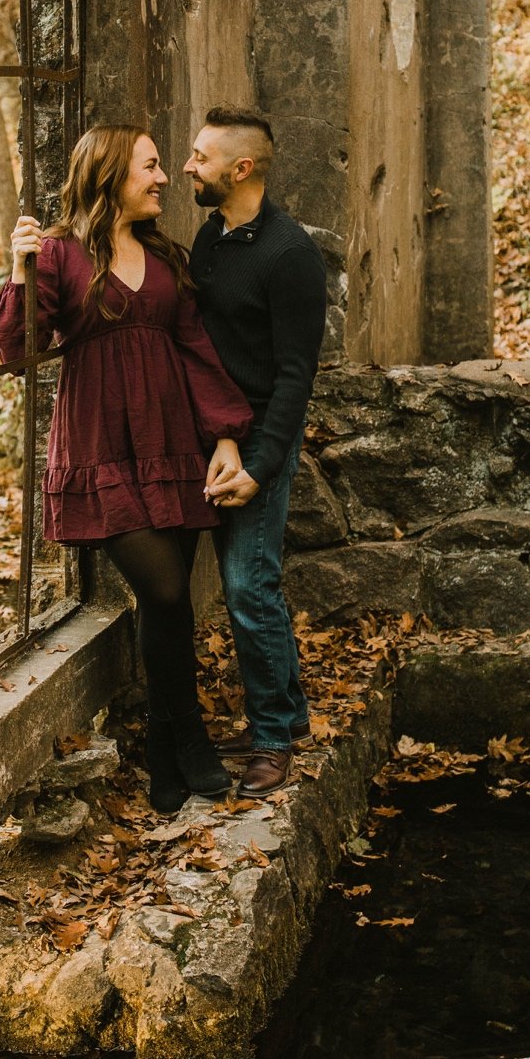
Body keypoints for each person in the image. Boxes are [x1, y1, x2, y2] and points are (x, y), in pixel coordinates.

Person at [0, 124, 254, 813]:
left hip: (173, 447)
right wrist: (20, 271)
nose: (164, 177)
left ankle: (165, 751)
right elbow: (20, 349)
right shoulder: (57, 254)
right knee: (163, 591)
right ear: (109, 174)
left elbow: (196, 349)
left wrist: (225, 438)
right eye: (151, 165)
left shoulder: (166, 256)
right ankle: (187, 734)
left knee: (168, 606)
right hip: (103, 450)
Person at [186, 108, 328, 795]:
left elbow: (296, 375)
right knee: (247, 583)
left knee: (249, 584)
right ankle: (287, 714)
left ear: (240, 169)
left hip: (263, 438)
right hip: (217, 434)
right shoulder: (210, 238)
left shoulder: (290, 254)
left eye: (200, 156)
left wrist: (260, 463)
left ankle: (272, 737)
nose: (189, 166)